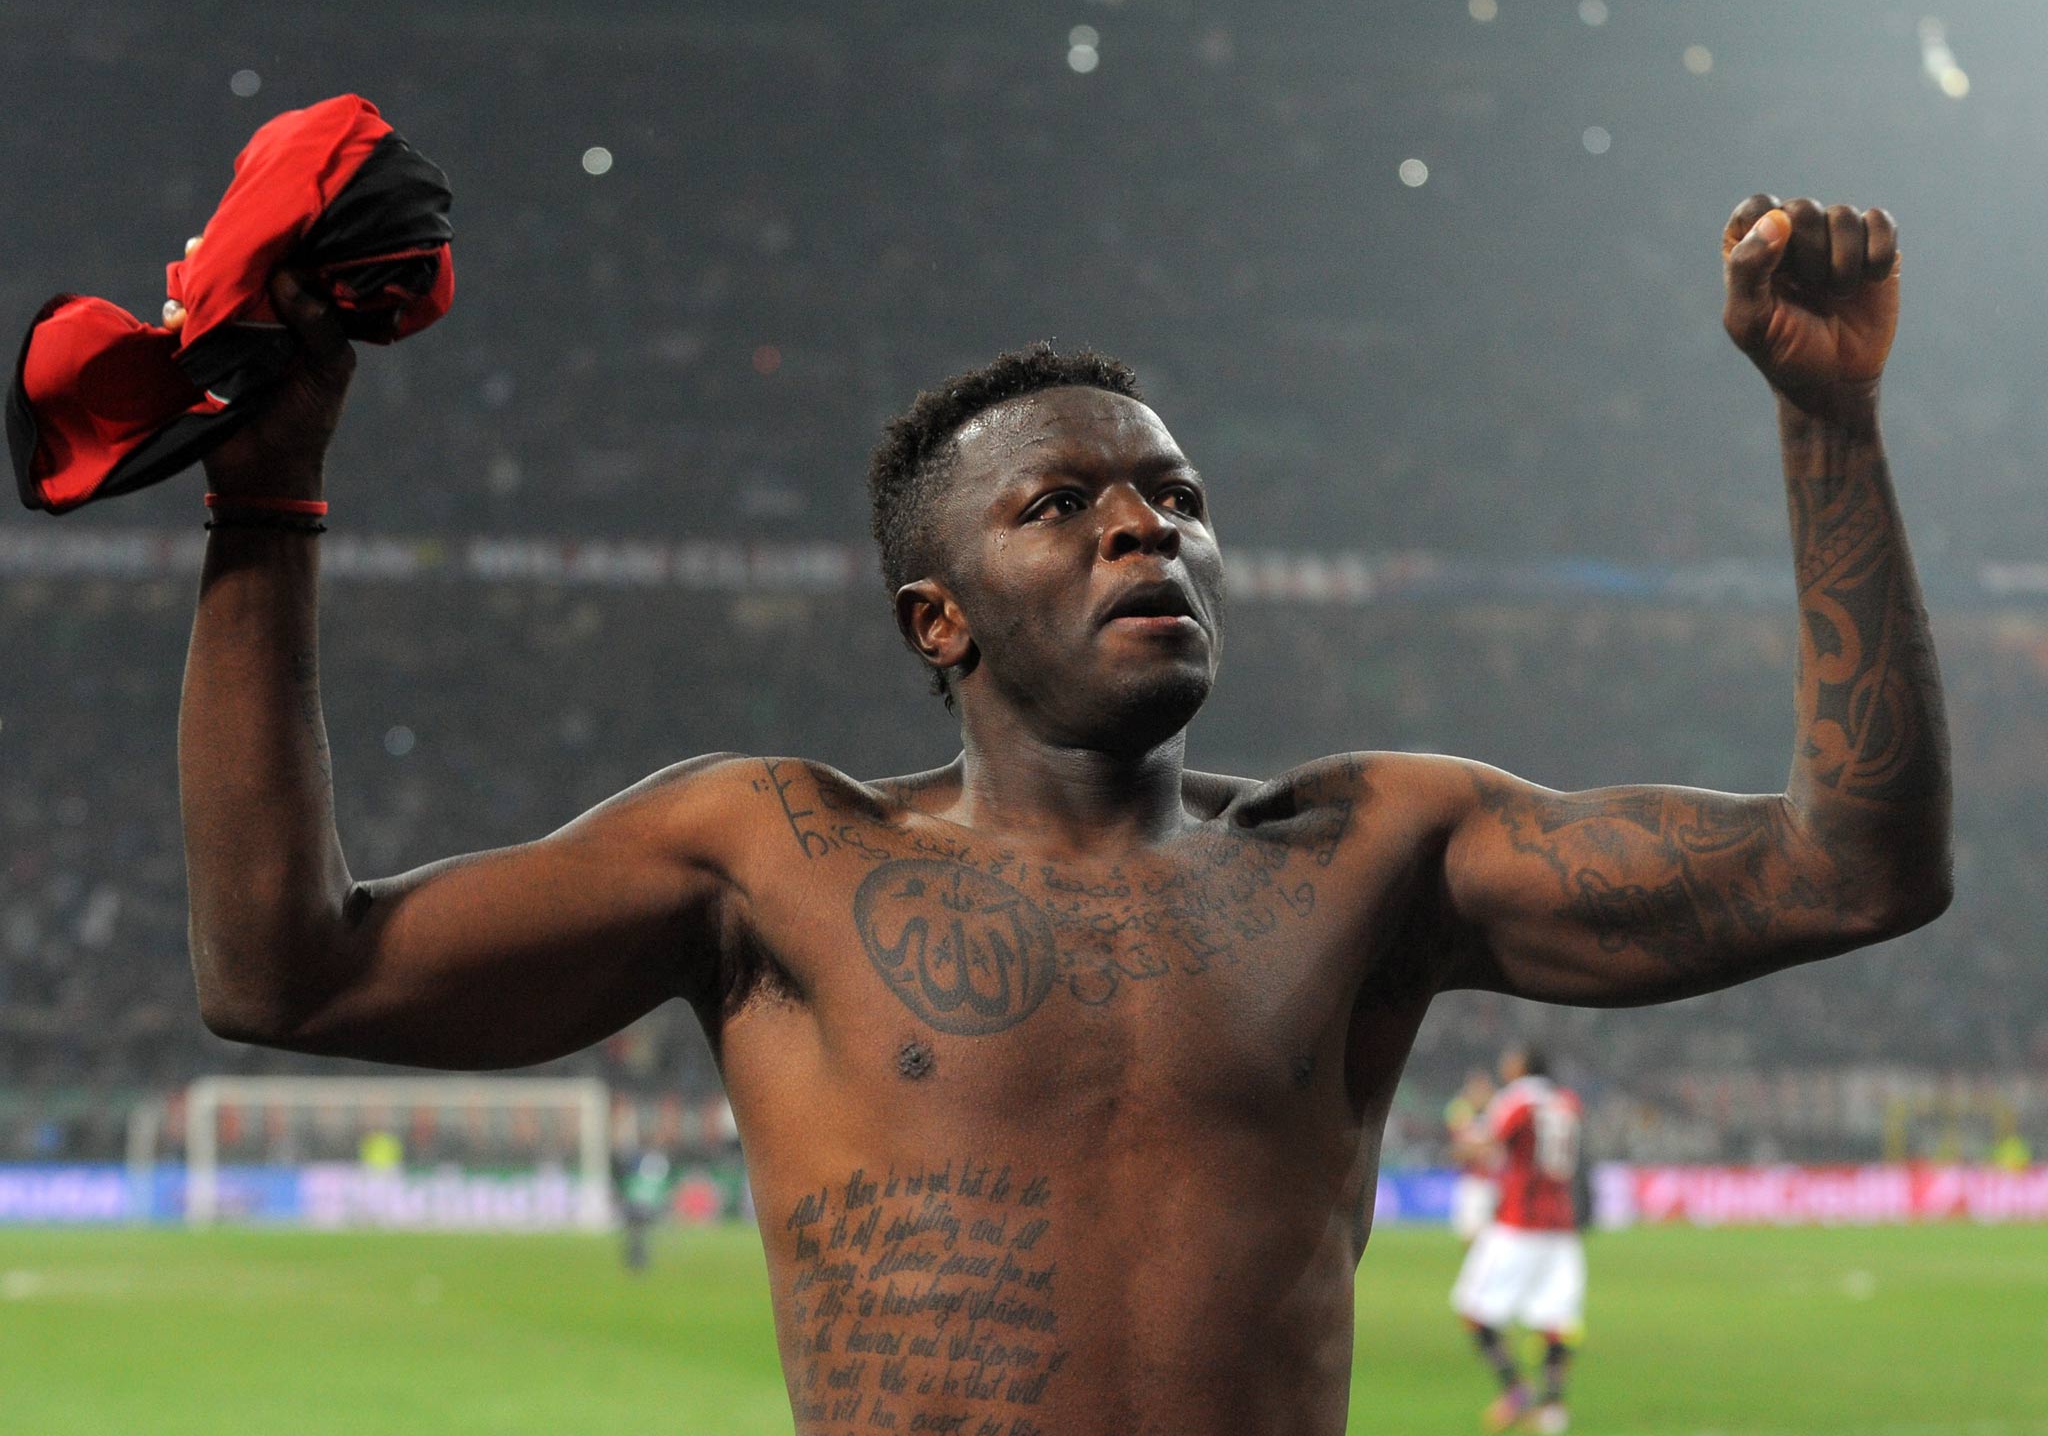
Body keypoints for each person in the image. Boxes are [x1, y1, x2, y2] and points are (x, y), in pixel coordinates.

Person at [174, 195, 1950, 1434]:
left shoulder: (1374, 855)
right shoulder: (769, 855)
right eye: (1064, 503)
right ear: (932, 620)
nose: (1141, 528)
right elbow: (286, 972)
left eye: (1174, 496)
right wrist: (268, 503)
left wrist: (1825, 424)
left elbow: (1847, 869)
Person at [1451, 1046, 1583, 1433]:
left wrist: (1461, 1136)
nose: (1504, 1063)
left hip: (1519, 1223)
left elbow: (1484, 1142)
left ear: (1523, 1065)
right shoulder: (1567, 1102)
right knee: (1557, 1318)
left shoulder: (1518, 1098)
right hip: (1562, 1227)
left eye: (1510, 1058)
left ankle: (1515, 1388)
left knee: (1473, 1308)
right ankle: (1554, 1409)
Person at [1445, 1067, 1500, 1244]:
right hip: (1470, 1182)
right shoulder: (1461, 1112)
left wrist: (1475, 1149)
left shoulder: (1498, 1113)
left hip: (1495, 1183)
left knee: (1491, 1237)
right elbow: (1457, 1152)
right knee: (1468, 1237)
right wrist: (1480, 1150)